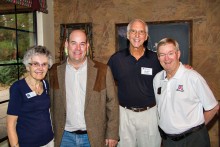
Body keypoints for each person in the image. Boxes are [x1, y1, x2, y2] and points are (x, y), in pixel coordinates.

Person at [49, 29, 119, 147]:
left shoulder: (103, 71)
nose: (78, 48)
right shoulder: (54, 71)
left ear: (87, 46)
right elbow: (49, 103)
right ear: (66, 44)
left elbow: (112, 103)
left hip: (93, 137)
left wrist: (112, 134)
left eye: (82, 44)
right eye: (73, 43)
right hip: (64, 137)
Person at [153, 38, 219, 147]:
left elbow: (213, 107)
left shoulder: (193, 77)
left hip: (193, 141)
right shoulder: (157, 79)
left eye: (170, 53)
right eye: (162, 54)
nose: (167, 58)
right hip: (168, 141)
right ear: (158, 57)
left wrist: (196, 130)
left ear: (178, 54)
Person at [108, 19, 162, 147]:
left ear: (146, 36)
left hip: (150, 115)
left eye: (141, 32)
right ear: (127, 35)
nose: (137, 35)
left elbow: (171, 72)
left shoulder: (156, 59)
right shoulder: (116, 59)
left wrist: (183, 67)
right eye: (133, 31)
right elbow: (105, 85)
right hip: (124, 116)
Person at [7, 45, 54, 147]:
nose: (40, 68)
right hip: (27, 143)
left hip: (49, 141)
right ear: (28, 66)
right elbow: (11, 125)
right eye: (35, 64)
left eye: (44, 64)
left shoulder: (46, 85)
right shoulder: (18, 88)